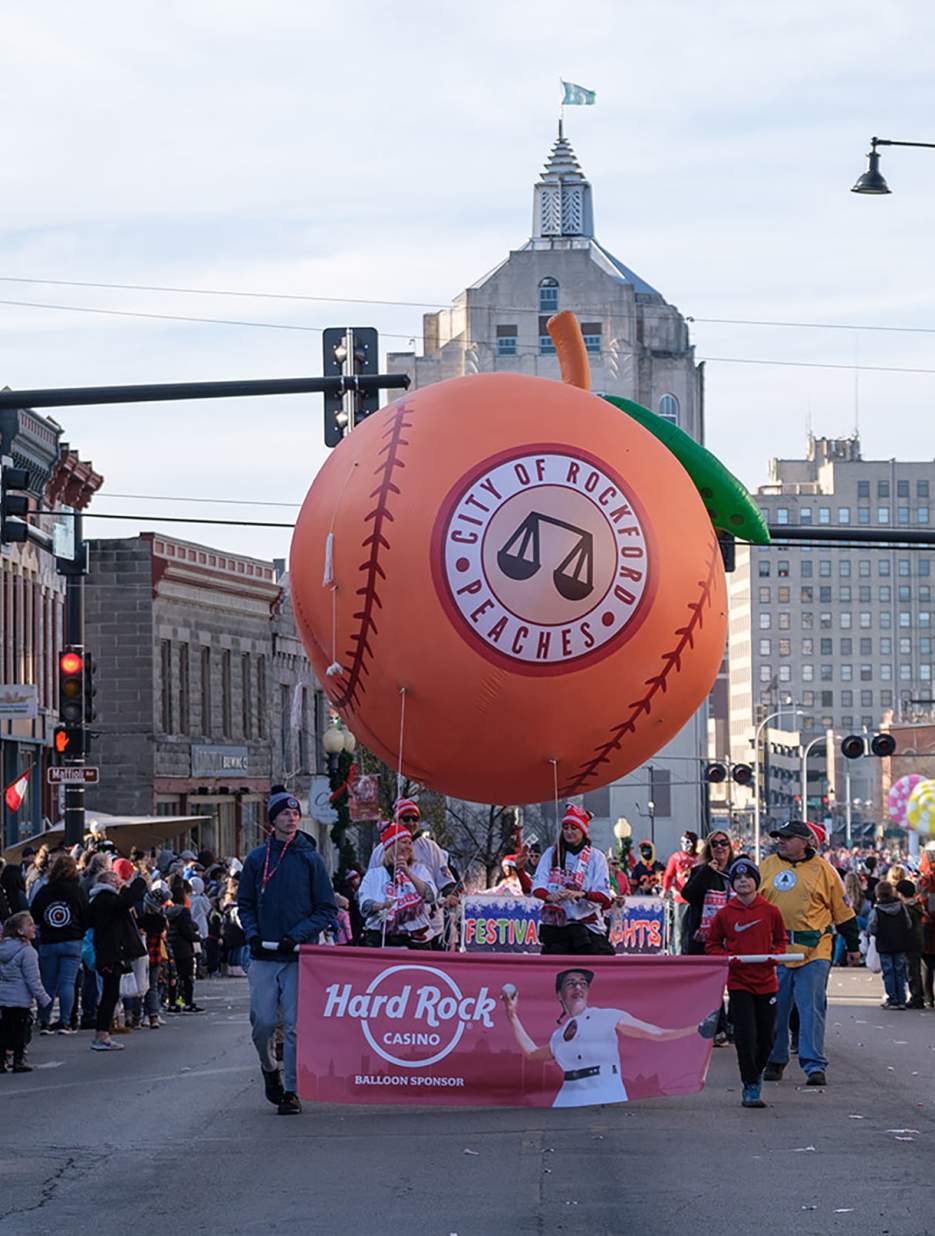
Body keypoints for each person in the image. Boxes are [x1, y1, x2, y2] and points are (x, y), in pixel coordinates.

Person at [238, 787, 337, 1116]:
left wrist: (296, 935)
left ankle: (292, 1090)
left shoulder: (310, 859)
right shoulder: (256, 860)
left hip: (298, 955)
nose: (291, 818)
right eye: (284, 813)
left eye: (295, 813)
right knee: (263, 1022)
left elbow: (325, 909)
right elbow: (245, 904)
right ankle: (270, 1070)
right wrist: (252, 934)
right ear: (273, 820)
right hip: (264, 955)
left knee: (294, 1025)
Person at [501, 967, 707, 1108]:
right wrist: (512, 1015)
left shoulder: (607, 1016)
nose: (578, 988)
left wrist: (698, 1028)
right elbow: (531, 1053)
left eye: (583, 983)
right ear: (559, 994)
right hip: (568, 1094)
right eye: (571, 984)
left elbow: (655, 1033)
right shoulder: (558, 1035)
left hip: (605, 1087)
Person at [760, 821, 860, 1086]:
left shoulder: (825, 871)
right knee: (775, 1008)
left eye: (787, 837)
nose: (780, 841)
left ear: (805, 842)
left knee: (811, 1009)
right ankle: (775, 1059)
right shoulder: (767, 866)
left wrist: (853, 947)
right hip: (776, 951)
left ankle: (814, 1064)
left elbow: (843, 911)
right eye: (779, 837)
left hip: (814, 950)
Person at [705, 858, 787, 1108]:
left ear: (756, 882)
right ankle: (750, 1085)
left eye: (748, 877)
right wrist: (729, 959)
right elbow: (712, 945)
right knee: (745, 1037)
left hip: (767, 983)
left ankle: (757, 1072)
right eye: (738, 878)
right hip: (739, 983)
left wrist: (775, 956)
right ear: (732, 884)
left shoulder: (770, 911)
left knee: (767, 1038)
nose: (743, 881)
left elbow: (781, 940)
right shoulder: (725, 914)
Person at [367, 800, 458, 948]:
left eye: (415, 819)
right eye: (406, 818)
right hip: (390, 927)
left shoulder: (430, 848)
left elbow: (446, 881)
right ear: (396, 820)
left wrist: (451, 895)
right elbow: (370, 887)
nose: (411, 822)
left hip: (427, 926)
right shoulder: (379, 851)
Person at [532, 805, 613, 955]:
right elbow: (537, 887)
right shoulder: (551, 854)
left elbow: (604, 896)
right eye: (566, 828)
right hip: (557, 927)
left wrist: (581, 894)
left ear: (583, 831)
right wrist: (550, 896)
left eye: (573, 828)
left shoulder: (596, 857)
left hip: (588, 928)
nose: (569, 832)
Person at [87, 867, 147, 1052]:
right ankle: (102, 1034)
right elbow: (127, 901)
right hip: (109, 952)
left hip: (110, 951)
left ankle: (103, 1033)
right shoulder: (106, 899)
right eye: (114, 879)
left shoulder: (101, 900)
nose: (118, 882)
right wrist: (139, 882)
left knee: (110, 994)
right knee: (109, 994)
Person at [30, 854, 88, 1035]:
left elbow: (35, 915)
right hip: (72, 940)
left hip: (49, 940)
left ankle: (45, 1021)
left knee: (47, 983)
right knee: (67, 983)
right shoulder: (77, 891)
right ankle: (65, 1021)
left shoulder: (45, 891)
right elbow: (85, 915)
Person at [358, 822, 437, 947]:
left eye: (410, 843)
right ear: (391, 846)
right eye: (404, 842)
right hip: (380, 941)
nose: (408, 847)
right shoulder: (374, 875)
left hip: (415, 942)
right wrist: (383, 906)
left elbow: (430, 896)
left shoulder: (420, 870)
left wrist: (408, 873)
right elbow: (365, 905)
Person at [0, 912, 51, 1072]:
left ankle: (1, 1060)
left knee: (5, 1028)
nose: (33, 927)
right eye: (29, 925)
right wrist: (43, 998)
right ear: (20, 931)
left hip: (3, 997)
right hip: (20, 998)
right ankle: (18, 1060)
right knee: (20, 1030)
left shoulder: (2, 949)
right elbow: (33, 979)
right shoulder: (28, 952)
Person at [681, 830, 735, 954]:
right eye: (714, 844)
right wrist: (707, 871)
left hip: (732, 937)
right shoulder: (700, 871)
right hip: (704, 940)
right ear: (709, 849)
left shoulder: (737, 872)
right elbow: (688, 894)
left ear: (729, 847)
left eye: (723, 843)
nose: (719, 847)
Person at [868, 881, 912, 1010]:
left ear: (878, 894)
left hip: (884, 944)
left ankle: (892, 998)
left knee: (888, 971)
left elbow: (872, 927)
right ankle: (902, 999)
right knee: (900, 971)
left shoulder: (877, 910)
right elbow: (908, 924)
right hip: (900, 942)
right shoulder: (901, 907)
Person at [166, 880, 203, 1013]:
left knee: (173, 976)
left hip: (171, 945)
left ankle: (172, 1002)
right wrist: (198, 938)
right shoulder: (183, 911)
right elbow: (187, 930)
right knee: (187, 976)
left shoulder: (168, 911)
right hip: (184, 947)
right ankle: (188, 1002)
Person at [661, 832, 698, 953]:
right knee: (679, 929)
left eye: (688, 842)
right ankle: (679, 955)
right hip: (681, 898)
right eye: (683, 842)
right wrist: (665, 889)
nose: (686, 845)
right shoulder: (676, 857)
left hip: (696, 900)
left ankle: (691, 955)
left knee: (694, 929)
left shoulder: (699, 858)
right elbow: (668, 875)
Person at [895, 879, 925, 1009]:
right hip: (919, 939)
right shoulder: (917, 905)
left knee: (912, 970)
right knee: (916, 969)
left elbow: (905, 925)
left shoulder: (905, 908)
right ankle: (919, 995)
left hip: (910, 941)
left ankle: (916, 997)